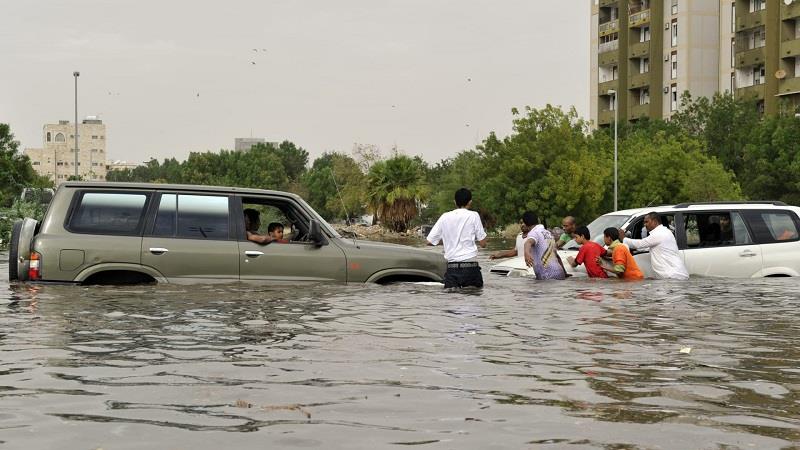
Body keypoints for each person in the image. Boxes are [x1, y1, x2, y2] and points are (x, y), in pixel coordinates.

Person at [427, 188, 487, 288]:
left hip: (452, 269)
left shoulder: (444, 216)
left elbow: (429, 241)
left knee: (452, 297)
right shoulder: (474, 215)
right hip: (470, 268)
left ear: (454, 202)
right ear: (470, 202)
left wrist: (448, 240)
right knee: (473, 296)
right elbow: (483, 244)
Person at [620, 211, 689, 280]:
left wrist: (624, 238)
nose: (645, 225)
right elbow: (650, 247)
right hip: (674, 275)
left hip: (672, 276)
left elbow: (640, 244)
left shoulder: (659, 234)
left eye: (647, 222)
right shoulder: (664, 231)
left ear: (655, 221)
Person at [523, 211, 567, 280]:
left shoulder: (534, 232)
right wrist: (565, 273)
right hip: (559, 273)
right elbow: (556, 256)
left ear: (525, 223)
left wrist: (526, 254)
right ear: (538, 220)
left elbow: (528, 242)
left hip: (548, 275)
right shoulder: (548, 233)